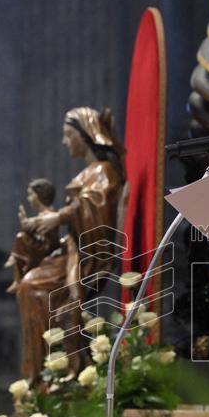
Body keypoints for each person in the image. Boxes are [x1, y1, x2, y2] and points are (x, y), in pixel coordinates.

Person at [13, 107, 125, 380]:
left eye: (68, 135)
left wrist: (59, 217)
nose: (64, 142)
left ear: (84, 136)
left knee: (33, 287)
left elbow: (96, 208)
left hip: (88, 254)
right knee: (29, 285)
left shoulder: (104, 171)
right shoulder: (90, 173)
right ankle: (43, 369)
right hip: (73, 249)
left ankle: (52, 368)